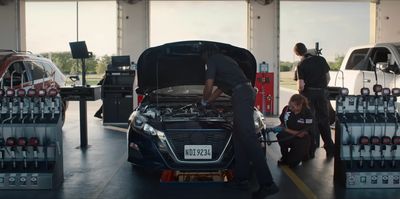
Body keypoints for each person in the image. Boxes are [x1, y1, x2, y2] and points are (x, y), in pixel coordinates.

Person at [201, 46, 278, 199]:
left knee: (249, 138)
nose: (203, 60)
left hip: (241, 94)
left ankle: (268, 184)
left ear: (206, 54)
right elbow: (220, 90)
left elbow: (209, 85)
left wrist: (203, 101)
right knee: (239, 137)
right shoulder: (227, 61)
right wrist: (208, 102)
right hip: (244, 92)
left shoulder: (212, 60)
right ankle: (241, 179)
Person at [294, 42, 335, 157]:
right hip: (322, 93)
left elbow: (301, 85)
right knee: (324, 120)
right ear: (306, 49)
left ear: (297, 53)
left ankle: (311, 150)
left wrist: (301, 92)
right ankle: (330, 148)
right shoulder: (321, 60)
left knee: (310, 121)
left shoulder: (301, 64)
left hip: (308, 95)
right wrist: (321, 88)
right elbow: (328, 78)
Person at [272, 94, 312, 167]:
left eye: (293, 107)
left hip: (301, 139)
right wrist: (273, 129)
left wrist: (285, 129)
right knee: (281, 136)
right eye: (289, 105)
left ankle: (304, 153)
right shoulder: (286, 109)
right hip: (290, 136)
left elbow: (302, 134)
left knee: (292, 163)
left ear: (300, 105)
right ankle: (284, 156)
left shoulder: (307, 113)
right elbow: (283, 123)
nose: (290, 108)